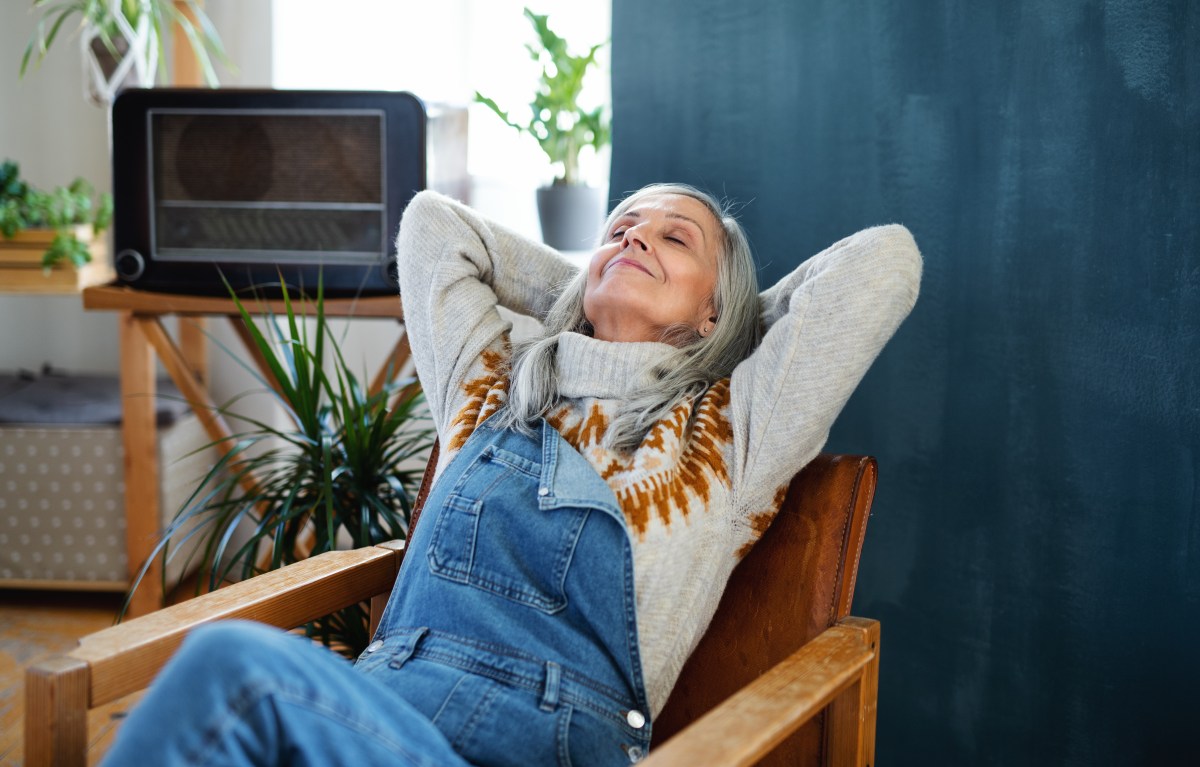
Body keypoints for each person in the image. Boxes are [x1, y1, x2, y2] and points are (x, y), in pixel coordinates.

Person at [100, 183, 921, 767]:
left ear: (718, 310)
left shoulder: (727, 433)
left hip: (547, 745)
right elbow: (433, 225)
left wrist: (733, 325)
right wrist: (600, 283)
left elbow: (886, 263)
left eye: (675, 238)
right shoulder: (490, 382)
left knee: (231, 672)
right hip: (378, 716)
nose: (634, 236)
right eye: (620, 227)